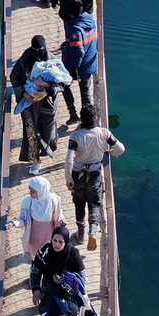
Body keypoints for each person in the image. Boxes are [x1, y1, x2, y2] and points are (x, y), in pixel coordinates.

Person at [65, 104, 125, 250]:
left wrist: (68, 179)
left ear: (81, 118)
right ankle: (93, 231)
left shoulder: (75, 136)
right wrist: (110, 152)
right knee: (94, 203)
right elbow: (120, 148)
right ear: (96, 118)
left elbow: (69, 159)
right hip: (95, 175)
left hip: (78, 176)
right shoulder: (104, 133)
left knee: (79, 203)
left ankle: (80, 235)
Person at [10, 35, 60, 175]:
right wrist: (23, 94)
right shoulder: (24, 60)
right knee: (31, 134)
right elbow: (14, 77)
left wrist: (44, 84)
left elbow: (62, 83)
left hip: (47, 105)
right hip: (29, 105)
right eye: (35, 49)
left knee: (48, 134)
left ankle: (49, 147)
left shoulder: (51, 60)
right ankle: (35, 161)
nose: (38, 52)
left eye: (40, 49)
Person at [30, 226, 86, 315]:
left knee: (72, 312)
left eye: (60, 242)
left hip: (69, 291)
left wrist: (64, 280)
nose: (56, 244)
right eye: (54, 240)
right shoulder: (44, 251)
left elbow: (82, 278)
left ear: (66, 241)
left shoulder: (73, 253)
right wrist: (36, 289)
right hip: (49, 288)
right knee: (47, 314)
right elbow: (35, 272)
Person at [7, 176, 67, 257]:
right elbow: (23, 219)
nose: (30, 193)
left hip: (50, 237)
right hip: (34, 239)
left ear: (41, 191)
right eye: (30, 191)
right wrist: (14, 223)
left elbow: (59, 214)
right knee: (36, 258)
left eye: (32, 192)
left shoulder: (54, 200)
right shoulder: (28, 202)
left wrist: (61, 220)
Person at [60, 0, 97, 123]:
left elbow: (78, 51)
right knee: (86, 92)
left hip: (76, 66)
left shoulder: (74, 28)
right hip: (89, 65)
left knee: (64, 85)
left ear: (69, 12)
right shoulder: (90, 19)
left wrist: (74, 69)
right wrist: (67, 43)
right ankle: (88, 120)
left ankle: (73, 114)